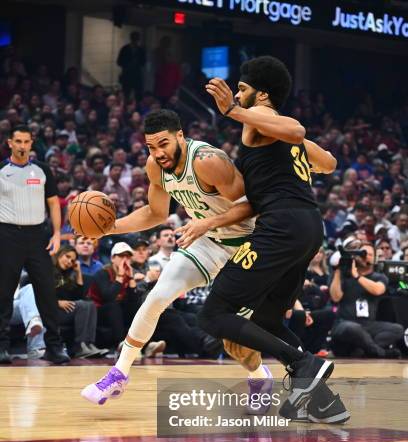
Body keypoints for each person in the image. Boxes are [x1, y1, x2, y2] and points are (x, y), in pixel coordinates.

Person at [198, 56, 349, 423]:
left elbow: (295, 131)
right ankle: (323, 401)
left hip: (282, 226)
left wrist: (233, 111)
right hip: (309, 228)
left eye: (244, 89)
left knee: (213, 315)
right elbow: (328, 162)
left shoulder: (258, 125)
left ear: (262, 95)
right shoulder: (272, 129)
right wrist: (212, 221)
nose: (237, 93)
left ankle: (303, 363)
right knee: (266, 318)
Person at [81, 109, 268, 405]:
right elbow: (156, 213)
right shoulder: (155, 166)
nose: (158, 153)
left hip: (247, 246)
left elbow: (252, 206)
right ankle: (119, 373)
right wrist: (109, 229)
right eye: (151, 147)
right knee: (156, 297)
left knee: (235, 342)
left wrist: (206, 222)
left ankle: (260, 379)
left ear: (180, 135)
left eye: (164, 144)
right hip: (207, 241)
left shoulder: (208, 161)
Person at [0, 124, 69, 364]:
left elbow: (53, 203)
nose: (21, 146)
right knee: (4, 293)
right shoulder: (1, 171)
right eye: (17, 141)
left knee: (47, 293)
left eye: (26, 142)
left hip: (38, 235)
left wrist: (58, 233)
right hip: (7, 235)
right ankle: (2, 347)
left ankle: (54, 346)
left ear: (31, 143)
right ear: (10, 143)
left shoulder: (42, 170)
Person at [329, 242, 403, 358]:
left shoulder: (379, 277)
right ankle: (380, 352)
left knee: (397, 329)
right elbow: (335, 297)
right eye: (362, 253)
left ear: (375, 258)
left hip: (368, 324)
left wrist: (357, 276)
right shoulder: (344, 275)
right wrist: (338, 270)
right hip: (344, 322)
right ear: (356, 256)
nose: (365, 256)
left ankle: (363, 349)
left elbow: (377, 290)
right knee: (352, 328)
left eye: (368, 254)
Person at [53, 246, 108, 358]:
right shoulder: (47, 270)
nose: (69, 262)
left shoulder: (68, 275)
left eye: (72, 260)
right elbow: (40, 292)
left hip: (66, 310)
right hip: (52, 310)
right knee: (83, 305)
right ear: (59, 254)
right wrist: (57, 302)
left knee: (90, 304)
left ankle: (89, 344)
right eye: (67, 257)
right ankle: (79, 346)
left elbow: (79, 296)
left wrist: (78, 273)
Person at [116, 32, 146, 101]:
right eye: (134, 38)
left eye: (137, 38)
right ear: (131, 38)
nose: (136, 40)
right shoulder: (125, 49)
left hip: (137, 75)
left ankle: (137, 107)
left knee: (138, 94)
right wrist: (128, 64)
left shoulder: (141, 50)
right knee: (126, 93)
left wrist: (137, 63)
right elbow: (119, 62)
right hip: (127, 75)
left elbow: (144, 62)